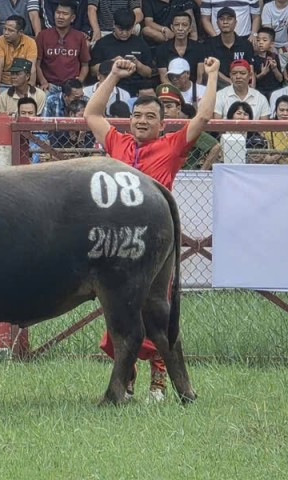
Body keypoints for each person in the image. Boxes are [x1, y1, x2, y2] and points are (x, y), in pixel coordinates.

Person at [84, 55, 220, 401]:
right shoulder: (119, 143)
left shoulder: (172, 146)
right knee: (118, 310)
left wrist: (213, 75)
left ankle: (159, 381)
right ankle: (125, 380)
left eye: (150, 117)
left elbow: (203, 116)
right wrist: (113, 75)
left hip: (154, 243)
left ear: (163, 124)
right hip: (119, 244)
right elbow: (92, 114)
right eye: (137, 116)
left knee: (158, 310)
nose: (142, 122)